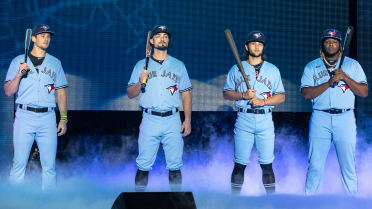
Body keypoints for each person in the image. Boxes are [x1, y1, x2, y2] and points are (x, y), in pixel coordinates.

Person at [301, 29, 368, 194]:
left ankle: (352, 202)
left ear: (340, 45)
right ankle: (309, 202)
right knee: (315, 165)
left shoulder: (352, 65)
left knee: (348, 165)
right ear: (322, 44)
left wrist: (345, 77)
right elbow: (306, 94)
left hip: (345, 117)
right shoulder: (312, 66)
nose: (331, 44)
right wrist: (328, 83)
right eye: (327, 41)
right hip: (320, 117)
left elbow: (364, 92)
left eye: (335, 41)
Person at [127, 25, 192, 191]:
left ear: (168, 40)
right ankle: (139, 202)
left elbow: (185, 93)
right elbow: (130, 93)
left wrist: (188, 119)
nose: (162, 38)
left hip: (173, 119)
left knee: (175, 165)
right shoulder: (141, 65)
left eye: (165, 36)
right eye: (158, 36)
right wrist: (140, 82)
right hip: (150, 118)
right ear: (151, 40)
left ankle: (177, 202)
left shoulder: (179, 65)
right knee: (143, 164)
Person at [4, 25, 68, 190]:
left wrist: (63, 118)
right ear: (33, 39)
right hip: (24, 116)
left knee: (49, 166)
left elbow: (60, 92)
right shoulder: (18, 61)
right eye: (42, 36)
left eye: (48, 36)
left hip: (47, 117)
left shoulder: (55, 62)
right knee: (19, 163)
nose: (46, 39)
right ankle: (14, 201)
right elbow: (9, 91)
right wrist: (19, 74)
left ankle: (48, 203)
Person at [223, 31, 285, 194]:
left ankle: (272, 202)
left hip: (265, 119)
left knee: (267, 165)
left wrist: (263, 101)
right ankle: (234, 202)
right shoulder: (237, 68)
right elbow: (227, 93)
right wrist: (243, 95)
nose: (257, 46)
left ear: (263, 47)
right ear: (246, 46)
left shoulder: (273, 70)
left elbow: (281, 97)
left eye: (260, 44)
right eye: (253, 43)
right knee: (239, 165)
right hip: (244, 118)